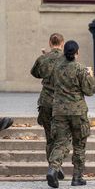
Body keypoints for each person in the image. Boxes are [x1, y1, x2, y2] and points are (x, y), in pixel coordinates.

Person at [46, 40, 95, 188]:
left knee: (60, 142)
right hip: (77, 111)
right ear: (77, 53)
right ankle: (77, 177)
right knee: (79, 144)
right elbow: (90, 91)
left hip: (59, 111)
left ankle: (53, 168)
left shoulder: (56, 68)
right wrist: (90, 75)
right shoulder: (80, 69)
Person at [30, 33, 65, 176]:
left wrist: (45, 57)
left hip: (45, 101)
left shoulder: (43, 59)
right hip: (62, 102)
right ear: (62, 43)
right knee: (61, 137)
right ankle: (56, 165)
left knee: (50, 137)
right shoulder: (66, 58)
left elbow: (35, 73)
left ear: (50, 43)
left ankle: (52, 165)